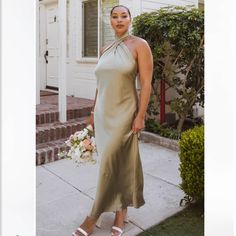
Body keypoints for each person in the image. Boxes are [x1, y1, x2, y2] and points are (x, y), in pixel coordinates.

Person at [72, 4, 153, 236]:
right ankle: (120, 212)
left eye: (123, 16)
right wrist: (92, 112)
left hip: (126, 115)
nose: (119, 20)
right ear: (110, 21)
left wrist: (141, 115)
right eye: (115, 16)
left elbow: (146, 84)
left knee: (111, 163)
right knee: (115, 164)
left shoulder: (140, 45)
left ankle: (93, 215)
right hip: (103, 115)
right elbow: (100, 84)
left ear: (130, 19)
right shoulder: (105, 48)